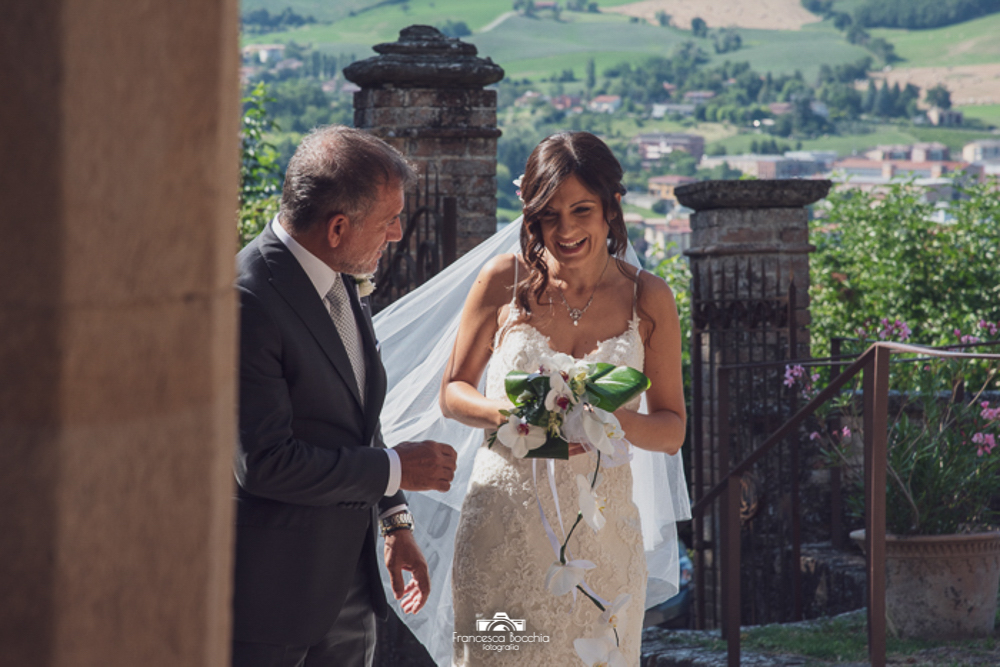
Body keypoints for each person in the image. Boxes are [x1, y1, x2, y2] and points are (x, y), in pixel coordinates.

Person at [438, 131, 686, 664]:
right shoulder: (502, 281)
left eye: (582, 210)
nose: (566, 230)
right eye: (550, 215)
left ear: (611, 210)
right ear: (531, 217)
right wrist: (515, 415)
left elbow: (671, 429)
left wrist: (610, 420)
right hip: (500, 528)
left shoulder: (651, 299)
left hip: (603, 543)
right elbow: (453, 393)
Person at [232, 125, 458, 667]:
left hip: (350, 588)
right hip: (271, 604)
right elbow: (263, 463)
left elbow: (359, 418)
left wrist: (395, 521)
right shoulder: (247, 300)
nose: (399, 234)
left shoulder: (337, 276)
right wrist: (396, 471)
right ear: (338, 227)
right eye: (388, 221)